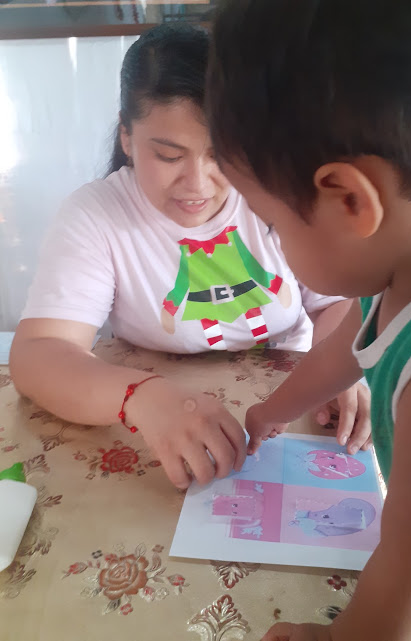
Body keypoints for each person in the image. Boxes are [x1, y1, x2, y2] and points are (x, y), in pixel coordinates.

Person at [207, 0, 411, 640]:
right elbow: (348, 350)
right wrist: (271, 411)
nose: (275, 243)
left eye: (273, 224)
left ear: (351, 200)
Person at [10, 24, 369, 491]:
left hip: (290, 402)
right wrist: (139, 396)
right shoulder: (97, 215)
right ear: (126, 136)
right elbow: (39, 353)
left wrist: (337, 374)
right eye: (168, 155)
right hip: (155, 414)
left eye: (221, 154)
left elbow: (334, 303)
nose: (198, 184)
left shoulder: (275, 191)